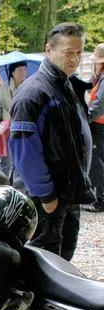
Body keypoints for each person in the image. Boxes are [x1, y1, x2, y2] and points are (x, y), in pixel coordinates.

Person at [9, 22, 94, 261]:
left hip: (67, 192)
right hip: (46, 198)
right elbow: (24, 151)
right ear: (49, 50)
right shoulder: (34, 92)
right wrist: (46, 196)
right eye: (68, 52)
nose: (74, 59)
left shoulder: (66, 84)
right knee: (44, 263)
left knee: (63, 259)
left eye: (78, 53)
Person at [0, 61, 27, 174]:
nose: (23, 72)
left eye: (24, 69)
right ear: (12, 72)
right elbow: (0, 106)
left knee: (21, 160)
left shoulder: (28, 86)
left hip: (22, 127)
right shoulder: (3, 87)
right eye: (19, 70)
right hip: (7, 129)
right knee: (7, 162)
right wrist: (10, 118)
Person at [85, 43, 104, 212]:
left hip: (99, 127)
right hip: (99, 126)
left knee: (98, 163)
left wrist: (85, 118)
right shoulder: (100, 78)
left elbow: (98, 105)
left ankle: (101, 201)